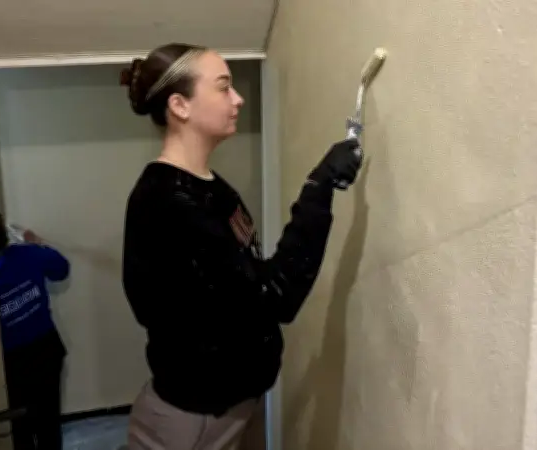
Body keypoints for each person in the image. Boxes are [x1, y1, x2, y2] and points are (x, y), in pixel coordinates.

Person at [120, 42, 362, 450]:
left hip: (235, 402)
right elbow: (274, 297)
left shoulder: (212, 189)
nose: (238, 99)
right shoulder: (166, 202)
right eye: (223, 87)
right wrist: (317, 189)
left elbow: (252, 280)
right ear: (180, 105)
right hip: (194, 418)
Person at [0, 208, 70, 450]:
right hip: (45, 351)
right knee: (48, 423)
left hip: (13, 362)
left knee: (20, 428)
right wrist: (36, 244)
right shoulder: (28, 254)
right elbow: (61, 268)